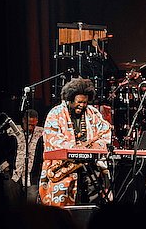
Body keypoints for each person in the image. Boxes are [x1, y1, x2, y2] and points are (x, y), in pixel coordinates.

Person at [39, 77, 112, 207]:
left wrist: (95, 147)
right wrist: (75, 149)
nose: (82, 105)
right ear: (70, 99)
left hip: (90, 166)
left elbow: (105, 131)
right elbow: (52, 138)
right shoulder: (55, 113)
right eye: (79, 102)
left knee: (94, 204)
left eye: (85, 102)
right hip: (64, 168)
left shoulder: (93, 113)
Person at [0, 109, 44, 205]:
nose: (30, 127)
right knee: (12, 205)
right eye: (28, 124)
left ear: (37, 122)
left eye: (33, 125)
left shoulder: (41, 133)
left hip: (32, 176)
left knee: (31, 205)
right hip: (13, 174)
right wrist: (4, 165)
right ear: (23, 120)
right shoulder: (12, 131)